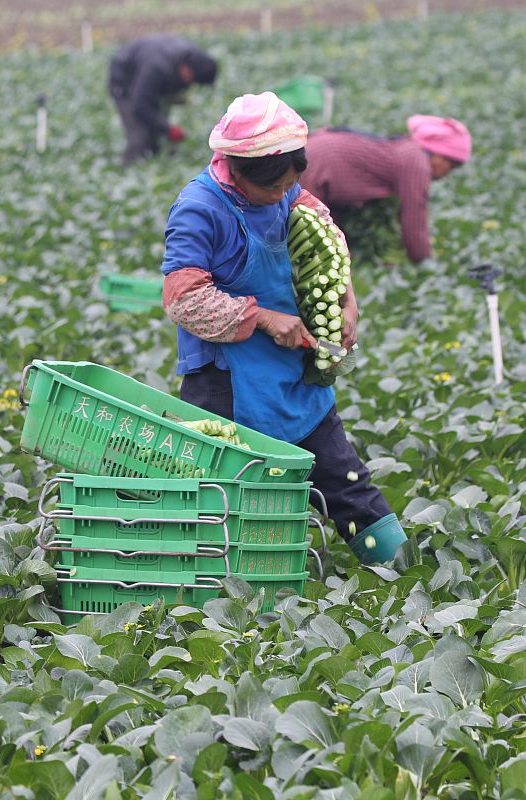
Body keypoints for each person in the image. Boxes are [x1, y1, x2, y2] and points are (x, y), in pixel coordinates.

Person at [159, 92, 406, 565]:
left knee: (343, 477)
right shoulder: (199, 208)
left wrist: (345, 297)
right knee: (227, 491)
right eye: (274, 189)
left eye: (291, 185)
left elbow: (325, 234)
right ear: (240, 171)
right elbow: (183, 298)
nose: (283, 197)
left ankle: (401, 570)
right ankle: (230, 589)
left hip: (292, 368)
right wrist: (265, 319)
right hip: (226, 380)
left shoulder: (288, 189)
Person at [298, 115, 472, 263]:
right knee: (309, 239)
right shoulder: (416, 161)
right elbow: (414, 218)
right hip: (317, 163)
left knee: (324, 237)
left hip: (317, 153)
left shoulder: (409, 150)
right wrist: (425, 263)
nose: (447, 173)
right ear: (438, 155)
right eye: (451, 165)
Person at [108, 34, 219, 165]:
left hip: (146, 71)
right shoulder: (157, 68)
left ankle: (154, 157)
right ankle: (129, 166)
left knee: (155, 131)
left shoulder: (193, 57)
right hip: (124, 78)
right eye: (191, 80)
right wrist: (168, 129)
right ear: (186, 70)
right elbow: (141, 106)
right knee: (139, 136)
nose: (190, 84)